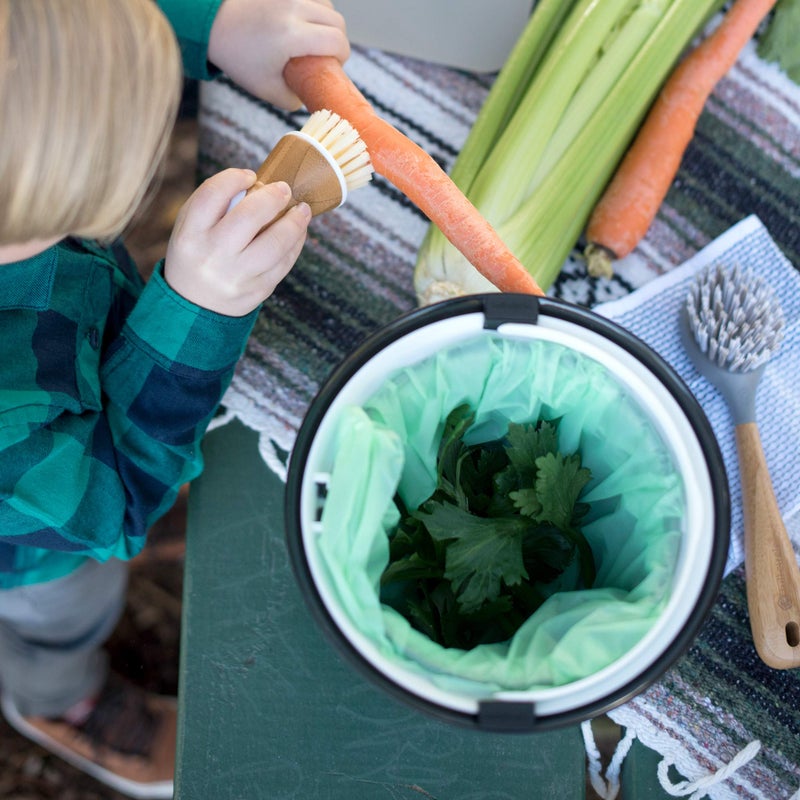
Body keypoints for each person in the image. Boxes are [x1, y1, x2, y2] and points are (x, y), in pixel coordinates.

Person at [0, 0, 349, 797]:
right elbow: (111, 495)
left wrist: (208, 31)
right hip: (31, 547)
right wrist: (196, 310)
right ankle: (58, 698)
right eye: (70, 205)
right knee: (65, 606)